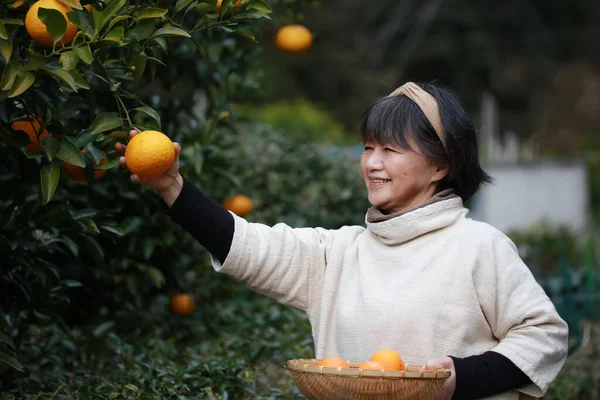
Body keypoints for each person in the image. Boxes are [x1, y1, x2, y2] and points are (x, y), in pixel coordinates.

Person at [116, 81, 568, 399]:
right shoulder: (339, 253)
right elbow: (247, 244)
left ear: (441, 164)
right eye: (368, 147)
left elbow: (544, 336)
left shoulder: (478, 246)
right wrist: (172, 187)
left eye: (391, 149)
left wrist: (460, 378)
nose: (372, 162)